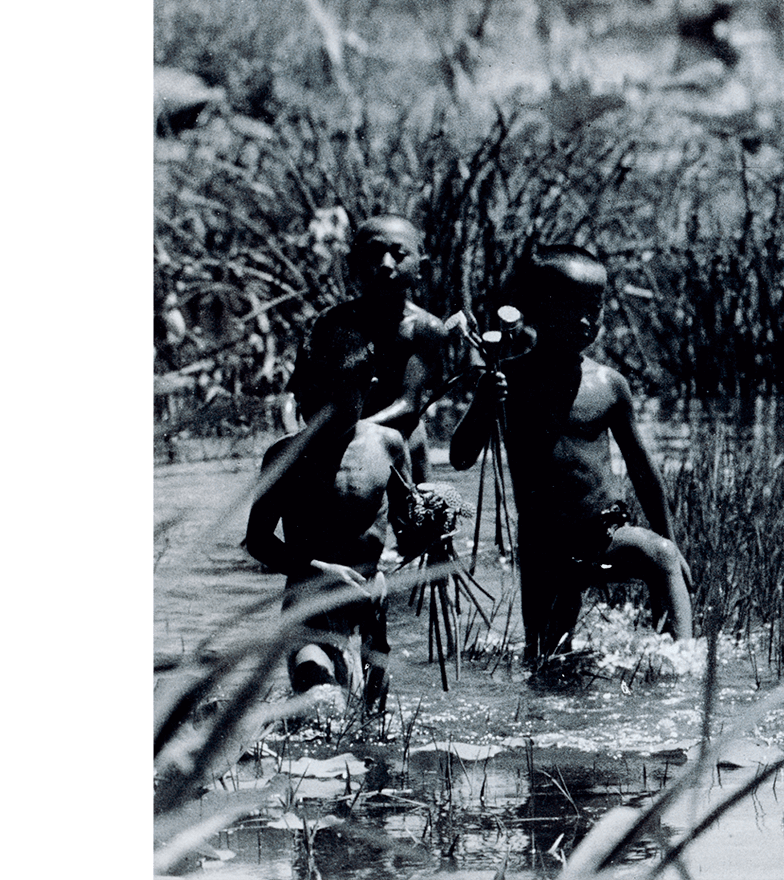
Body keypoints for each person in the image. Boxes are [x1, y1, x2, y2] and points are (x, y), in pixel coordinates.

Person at [450, 246, 694, 665]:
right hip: (543, 547)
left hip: (603, 533)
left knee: (663, 557)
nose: (585, 321)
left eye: (594, 308)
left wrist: (668, 536)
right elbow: (460, 457)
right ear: (535, 310)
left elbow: (641, 468)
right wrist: (483, 404)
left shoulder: (609, 385)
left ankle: (684, 669)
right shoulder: (509, 380)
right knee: (546, 660)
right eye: (570, 308)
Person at [247, 322, 414, 713]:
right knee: (320, 700)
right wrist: (320, 569)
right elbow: (258, 541)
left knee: (371, 721)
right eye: (312, 398)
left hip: (368, 611)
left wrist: (432, 530)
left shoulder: (387, 445)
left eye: (337, 400)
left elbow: (409, 528)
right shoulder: (283, 458)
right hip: (308, 607)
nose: (323, 413)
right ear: (298, 392)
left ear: (367, 388)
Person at [288, 215, 447, 484]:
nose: (385, 264)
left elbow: (408, 404)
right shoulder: (330, 323)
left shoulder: (425, 328)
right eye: (374, 254)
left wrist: (354, 431)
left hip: (399, 434)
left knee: (422, 511)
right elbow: (296, 391)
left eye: (398, 254)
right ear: (353, 265)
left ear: (421, 269)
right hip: (332, 433)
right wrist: (294, 433)